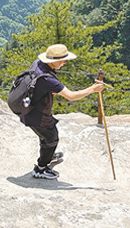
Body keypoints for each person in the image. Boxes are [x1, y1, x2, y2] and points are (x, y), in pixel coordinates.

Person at [22, 43, 104, 180]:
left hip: (30, 108)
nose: (65, 63)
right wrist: (92, 89)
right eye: (64, 60)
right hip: (37, 115)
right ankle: (41, 169)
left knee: (47, 135)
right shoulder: (48, 79)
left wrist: (47, 90)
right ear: (55, 61)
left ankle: (47, 155)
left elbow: (37, 83)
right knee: (51, 137)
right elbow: (71, 96)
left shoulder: (38, 64)